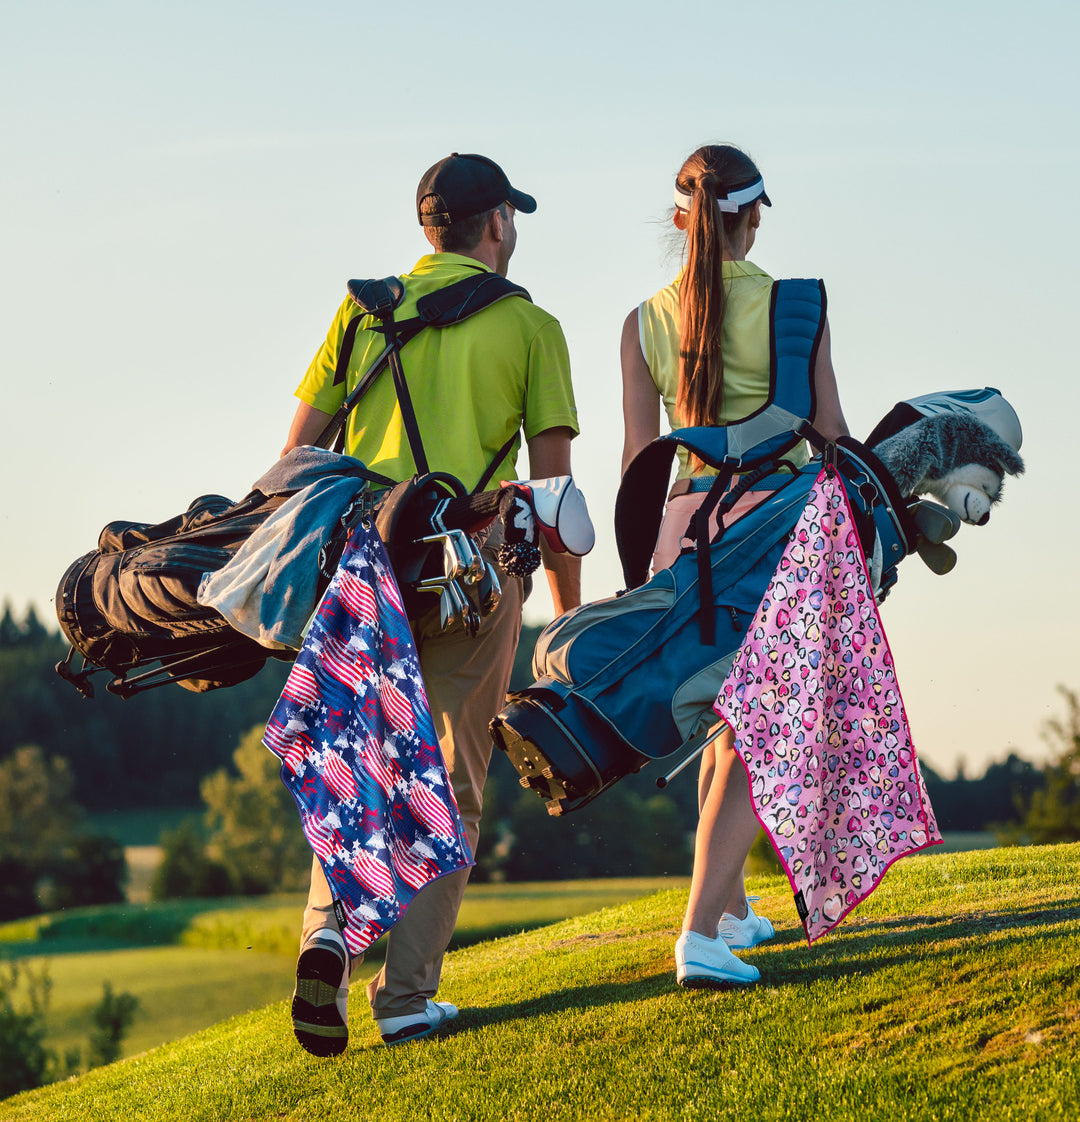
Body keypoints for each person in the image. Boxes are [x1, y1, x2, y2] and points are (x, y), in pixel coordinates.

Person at [282, 152, 581, 1051]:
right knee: (449, 772)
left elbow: (297, 459)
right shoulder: (532, 326)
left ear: (427, 230)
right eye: (511, 218)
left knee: (354, 757)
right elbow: (552, 497)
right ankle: (405, 995)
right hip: (470, 568)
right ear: (494, 225)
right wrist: (566, 619)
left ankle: (329, 928)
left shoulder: (361, 311)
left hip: (364, 562)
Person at [620, 143, 848, 988]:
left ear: (683, 220)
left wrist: (645, 571)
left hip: (685, 528)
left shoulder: (641, 319)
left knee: (726, 720)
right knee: (760, 732)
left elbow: (641, 459)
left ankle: (726, 911)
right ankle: (698, 940)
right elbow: (829, 432)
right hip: (777, 527)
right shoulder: (797, 306)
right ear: (749, 217)